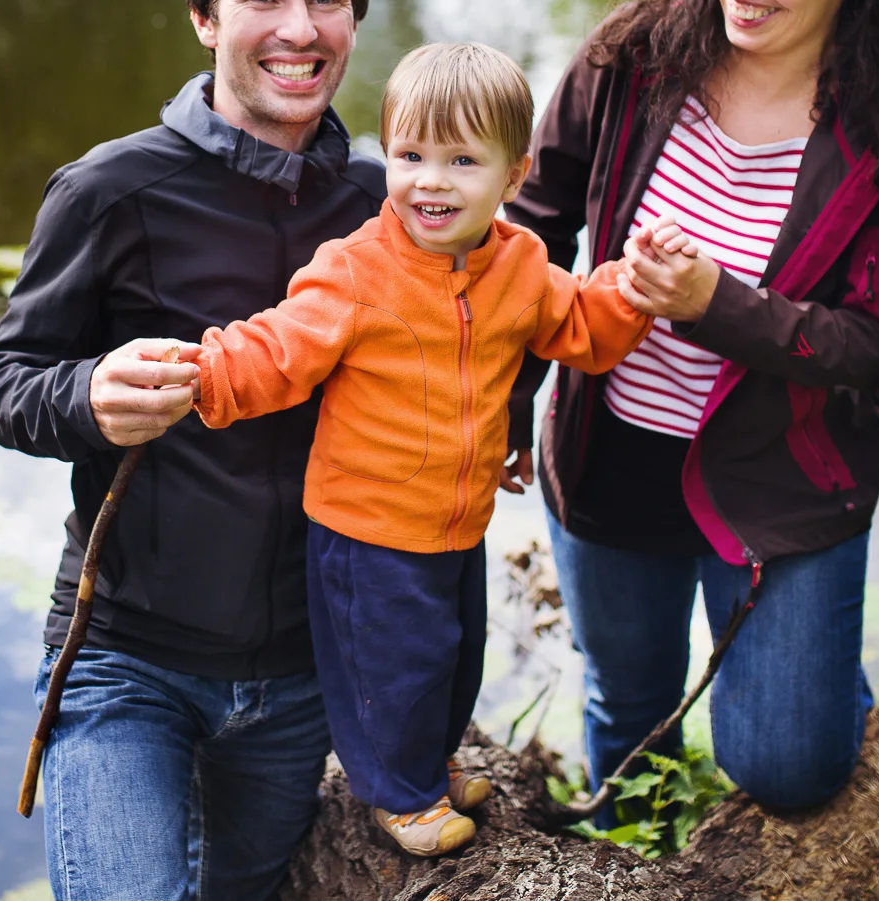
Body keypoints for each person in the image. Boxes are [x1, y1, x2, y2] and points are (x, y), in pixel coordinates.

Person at [504, 0, 879, 823]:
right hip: (609, 452)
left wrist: (713, 303)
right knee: (627, 714)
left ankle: (814, 684)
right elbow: (529, 231)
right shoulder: (632, 57)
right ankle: (634, 867)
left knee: (784, 765)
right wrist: (505, 401)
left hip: (783, 479)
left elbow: (878, 342)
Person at [0, 0, 387, 901]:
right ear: (205, 17)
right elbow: (2, 383)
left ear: (353, 18)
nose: (299, 30)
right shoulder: (108, 190)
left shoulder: (385, 202)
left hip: (303, 672)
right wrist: (87, 397)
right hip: (128, 659)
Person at [179, 42, 654, 856]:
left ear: (514, 176)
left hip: (457, 519)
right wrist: (203, 372)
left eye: (462, 161)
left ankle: (429, 762)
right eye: (410, 156)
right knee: (390, 667)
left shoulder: (521, 264)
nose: (431, 181)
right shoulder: (356, 272)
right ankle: (399, 795)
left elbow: (580, 324)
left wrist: (632, 285)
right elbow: (277, 350)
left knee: (453, 654)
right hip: (367, 527)